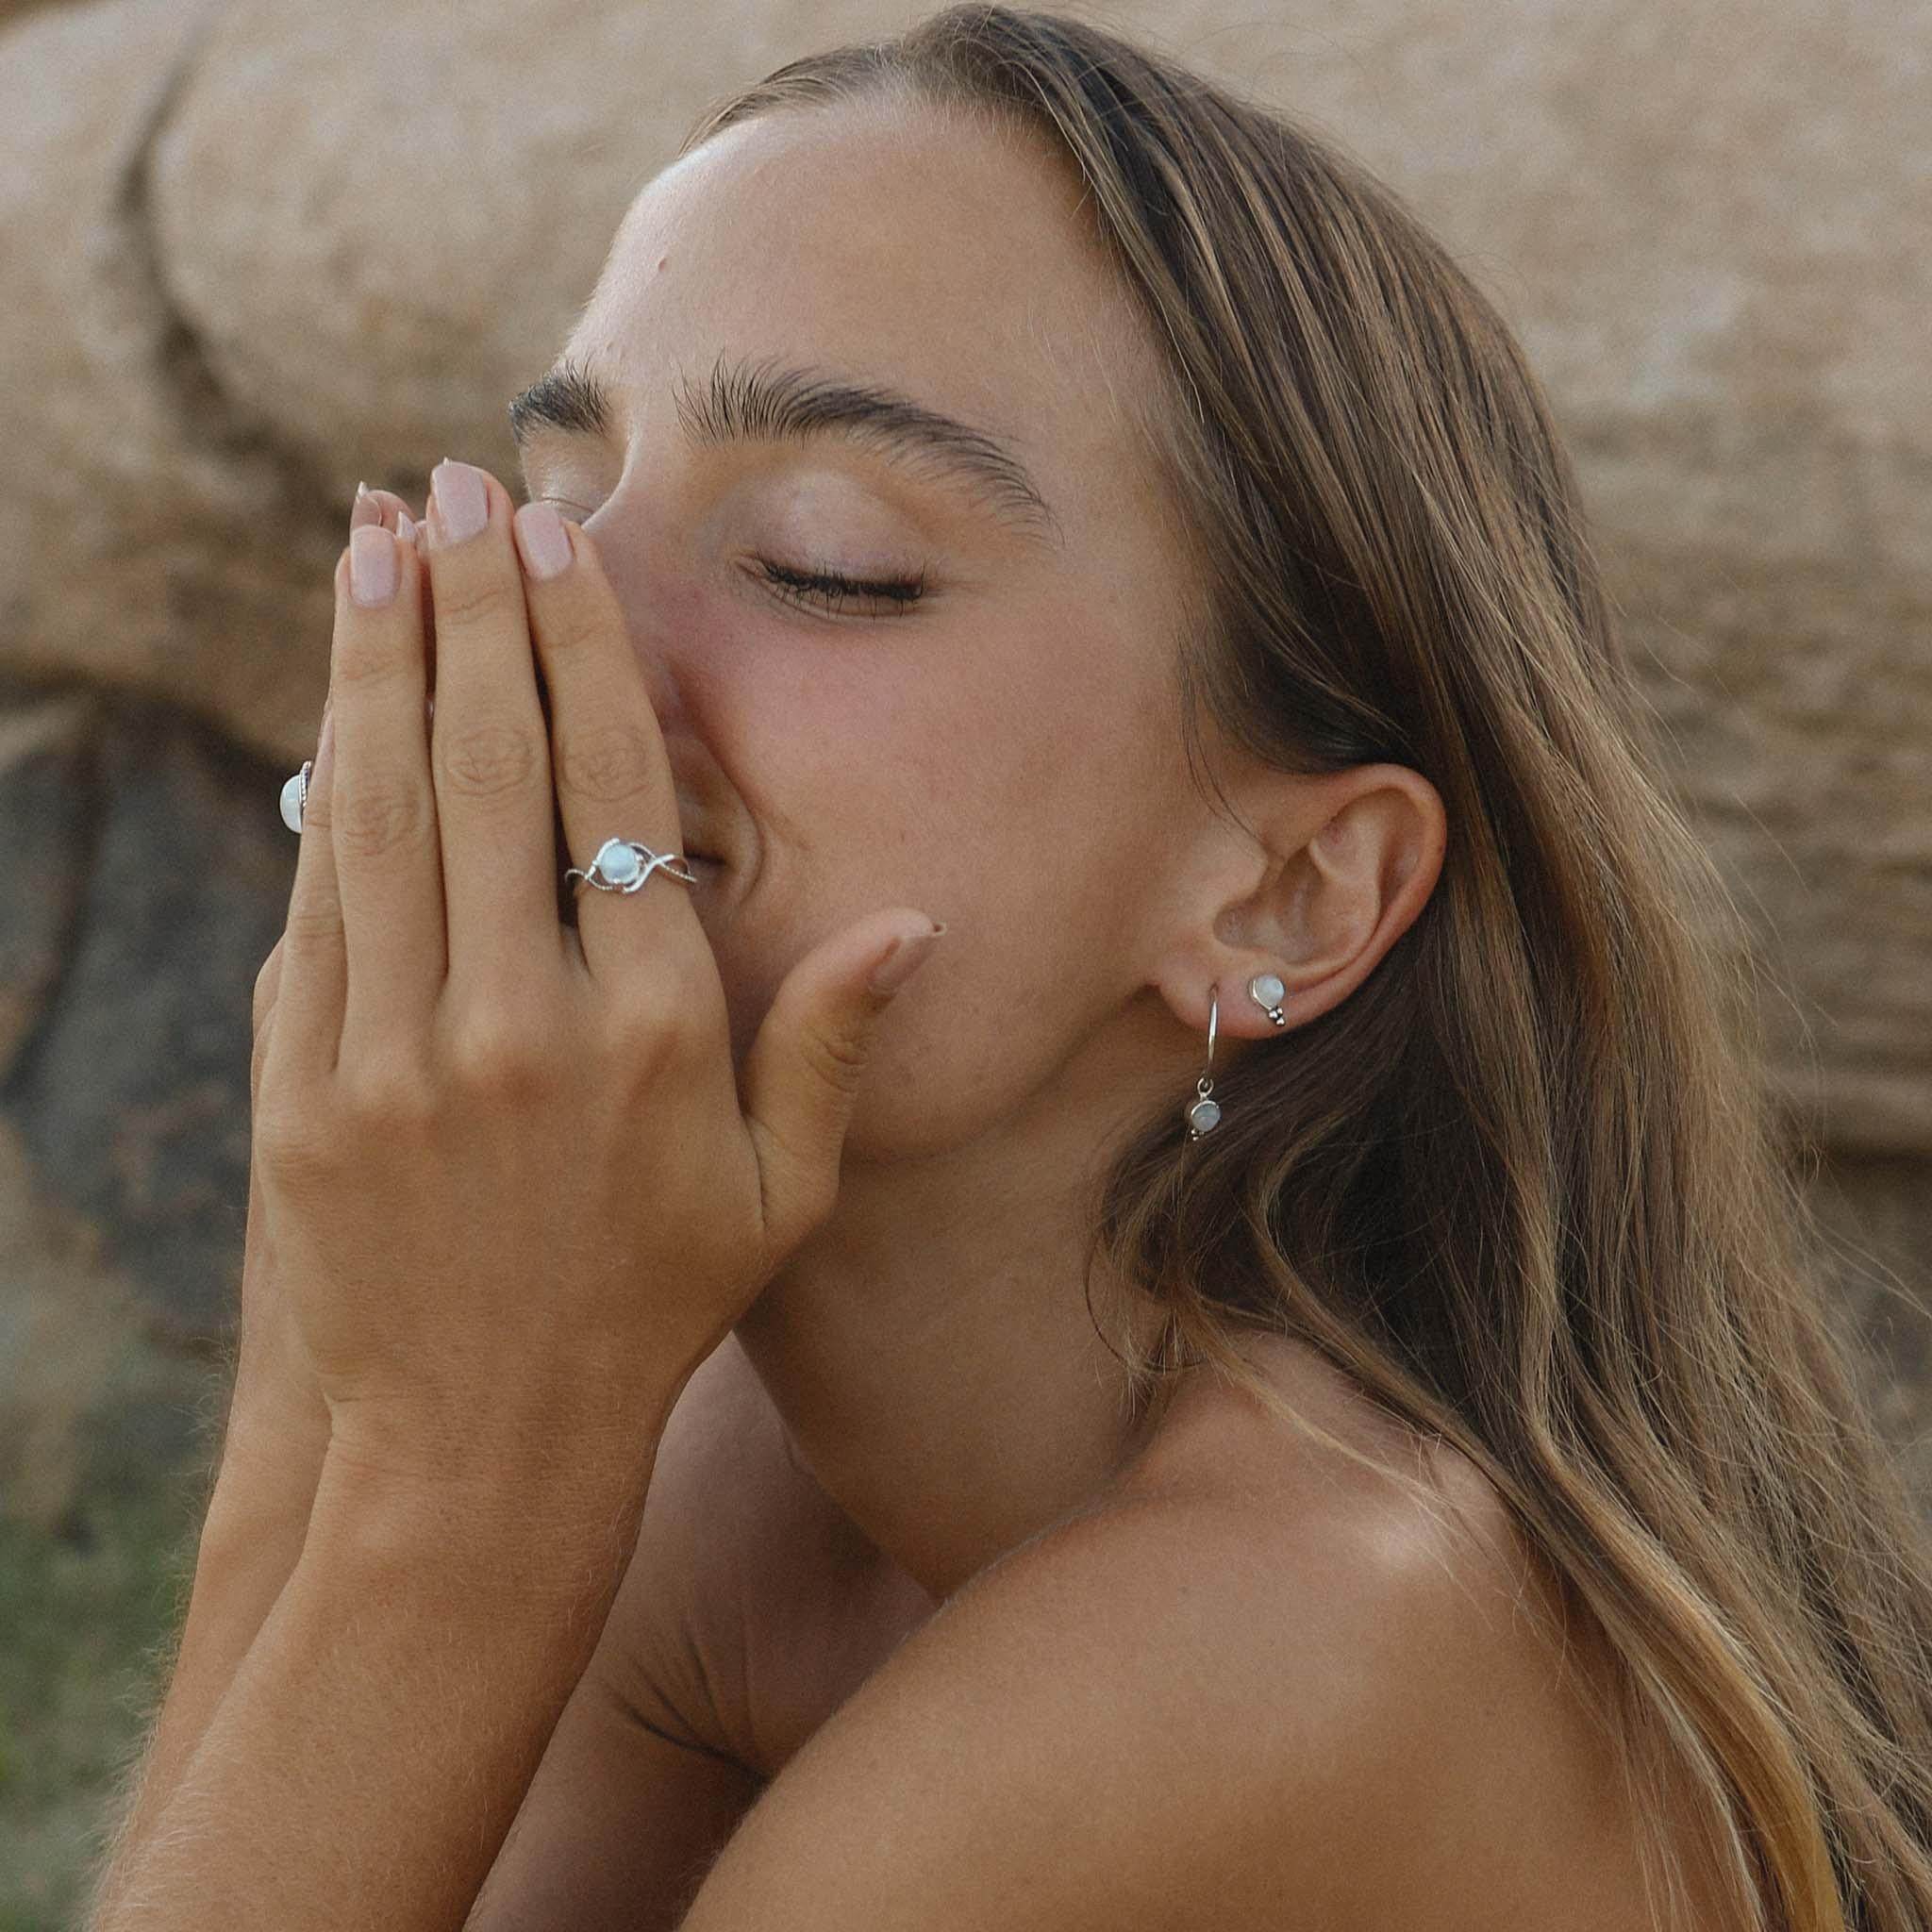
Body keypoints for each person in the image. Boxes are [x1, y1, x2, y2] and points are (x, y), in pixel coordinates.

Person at [83, 8, 1932, 1930]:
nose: (561, 632)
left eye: (827, 560)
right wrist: (330, 1382)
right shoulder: (736, 1471)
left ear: (1290, 893)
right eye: (556, 505)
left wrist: (446, 1491)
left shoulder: (1277, 1637)